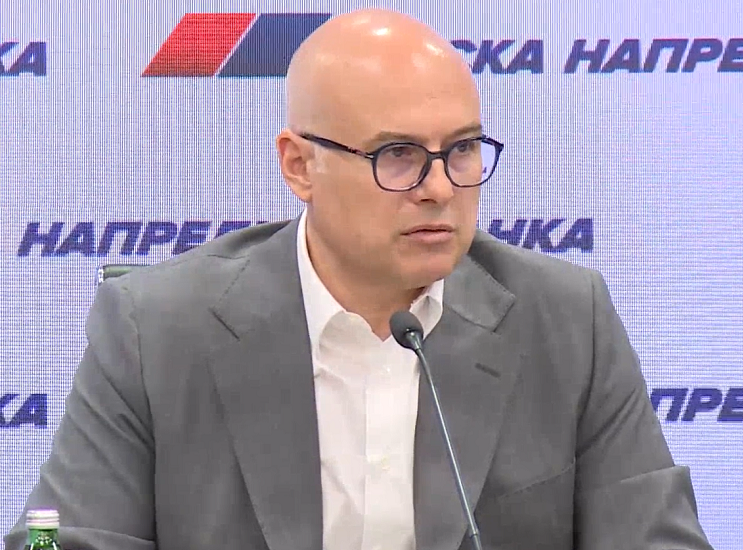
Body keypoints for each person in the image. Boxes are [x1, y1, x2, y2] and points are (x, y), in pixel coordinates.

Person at [5, 8, 712, 550]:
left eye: (462, 149)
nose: (440, 188)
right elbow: (67, 539)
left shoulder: (566, 319)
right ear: (299, 166)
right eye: (397, 154)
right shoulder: (156, 330)